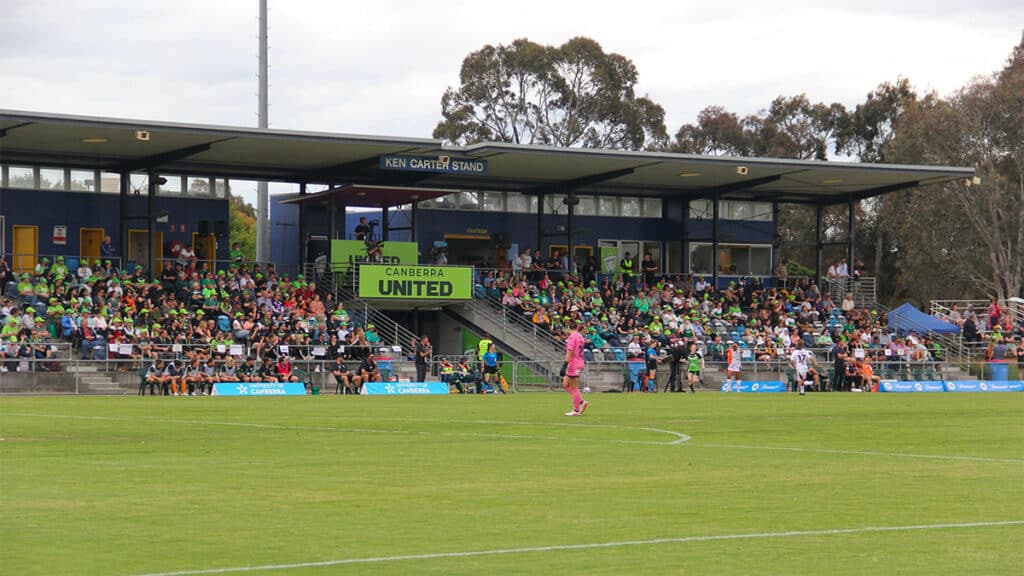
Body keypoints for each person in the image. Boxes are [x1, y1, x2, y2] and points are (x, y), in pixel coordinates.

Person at [562, 319, 589, 416]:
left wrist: (565, 364)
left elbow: (570, 351)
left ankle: (576, 410)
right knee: (565, 384)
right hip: (579, 361)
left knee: (574, 387)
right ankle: (581, 402)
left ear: (568, 328)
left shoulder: (572, 337)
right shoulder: (580, 336)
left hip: (574, 362)